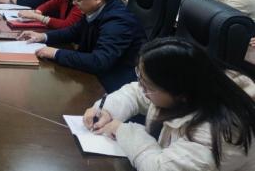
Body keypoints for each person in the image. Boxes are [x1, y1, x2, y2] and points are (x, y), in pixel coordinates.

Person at [83, 37, 255, 171]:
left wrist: (124, 131)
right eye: (140, 78)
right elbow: (135, 93)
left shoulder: (221, 133)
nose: (141, 88)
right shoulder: (192, 84)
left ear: (181, 94)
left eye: (147, 85)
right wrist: (107, 110)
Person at [19, 0, 146, 93]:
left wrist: (56, 53)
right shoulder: (95, 9)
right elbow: (73, 31)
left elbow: (99, 62)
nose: (74, 3)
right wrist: (43, 37)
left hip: (115, 85)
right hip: (93, 76)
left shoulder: (118, 22)